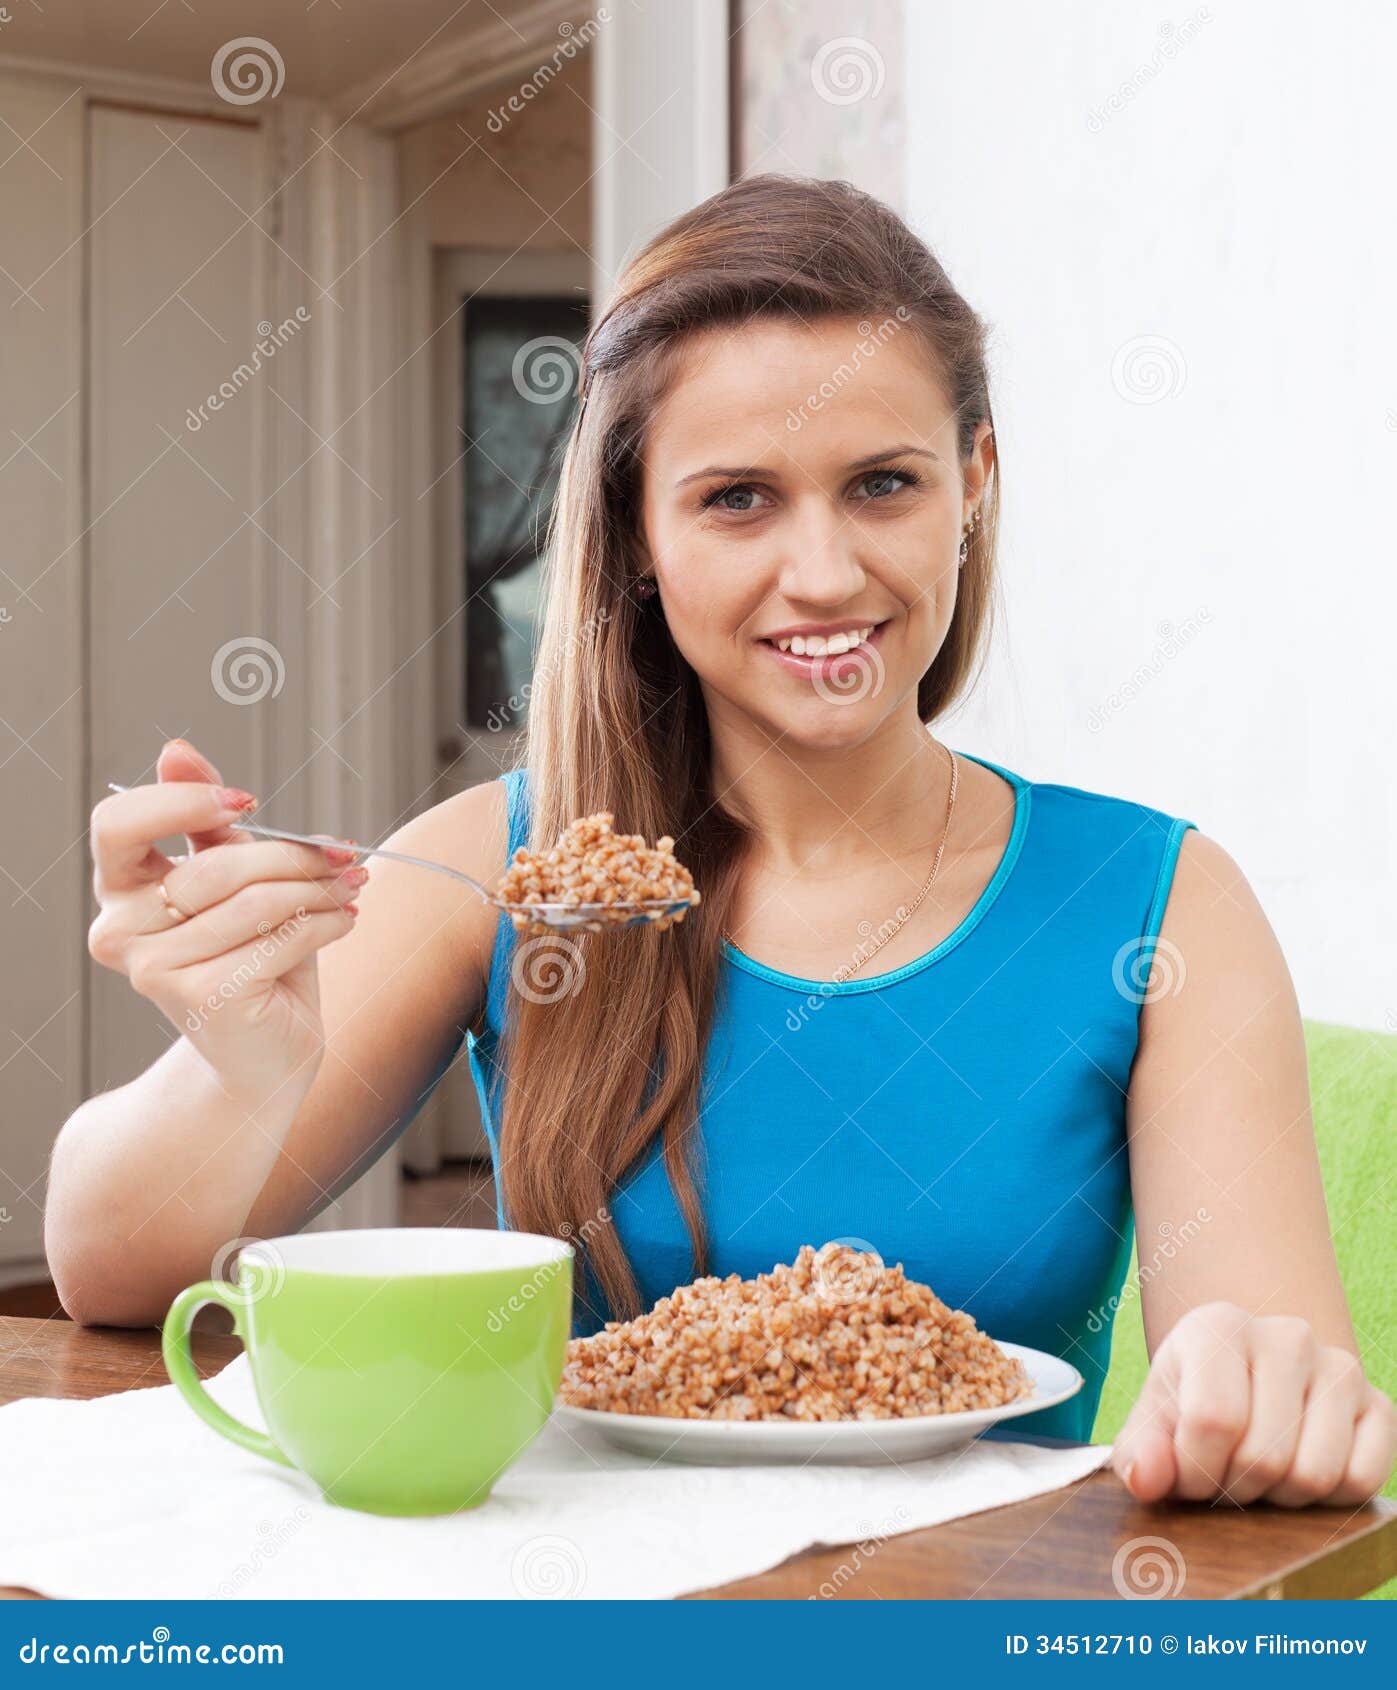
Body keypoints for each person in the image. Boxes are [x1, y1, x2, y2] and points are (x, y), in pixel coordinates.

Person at [48, 174, 1394, 1509]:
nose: (820, 572)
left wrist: (1261, 1390)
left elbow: (1264, 1378)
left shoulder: (1158, 905)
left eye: (881, 484)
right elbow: (104, 1269)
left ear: (972, 481)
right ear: (636, 531)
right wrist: (238, 1070)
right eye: (736, 499)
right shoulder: (502, 867)